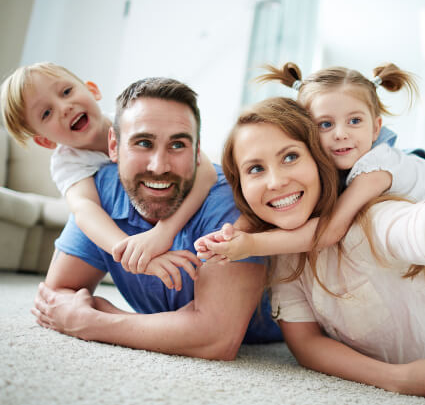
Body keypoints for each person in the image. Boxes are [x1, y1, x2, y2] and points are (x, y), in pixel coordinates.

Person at [29, 76, 283, 359]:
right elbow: (55, 296)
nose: (159, 166)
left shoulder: (229, 202)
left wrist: (93, 322)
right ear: (114, 145)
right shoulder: (97, 193)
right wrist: (179, 326)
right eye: (143, 143)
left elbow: (217, 337)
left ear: (197, 150)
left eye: (177, 145)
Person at [202, 96, 425, 394]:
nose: (276, 182)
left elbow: (412, 229)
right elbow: (306, 344)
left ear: (320, 161)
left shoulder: (373, 219)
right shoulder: (284, 259)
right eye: (255, 169)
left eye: (290, 157)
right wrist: (396, 378)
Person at [0, 62, 217, 285]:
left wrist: (163, 233)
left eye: (66, 92)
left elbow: (207, 170)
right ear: (45, 141)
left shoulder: (131, 120)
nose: (64, 107)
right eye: (46, 113)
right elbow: (85, 210)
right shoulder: (68, 161)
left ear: (92, 90)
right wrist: (133, 252)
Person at [196, 62, 425, 261]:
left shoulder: (376, 167)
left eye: (354, 121)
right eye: (325, 124)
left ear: (376, 128)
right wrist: (229, 235)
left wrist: (251, 245)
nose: (340, 134)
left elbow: (331, 229)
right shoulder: (325, 165)